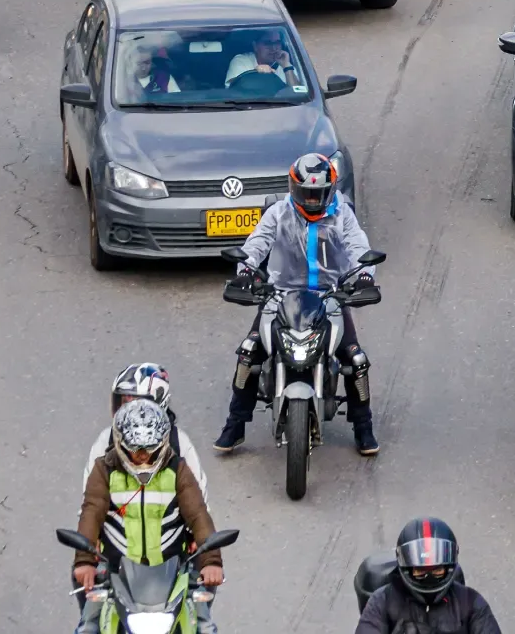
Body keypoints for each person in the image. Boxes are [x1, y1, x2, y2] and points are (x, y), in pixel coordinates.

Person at [213, 152, 382, 456]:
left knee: (356, 360)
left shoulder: (342, 214)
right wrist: (246, 272)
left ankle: (363, 427)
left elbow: (359, 248)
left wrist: (364, 276)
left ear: (329, 191)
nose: (313, 200)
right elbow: (256, 245)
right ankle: (234, 425)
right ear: (294, 188)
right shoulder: (278, 213)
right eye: (307, 193)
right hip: (279, 295)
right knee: (249, 352)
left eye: (318, 194)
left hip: (329, 297)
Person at [74, 401, 224, 634]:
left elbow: (198, 514)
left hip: (172, 577)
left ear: (162, 444)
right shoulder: (104, 471)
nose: (143, 459)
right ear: (120, 445)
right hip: (116, 575)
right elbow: (91, 511)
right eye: (136, 451)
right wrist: (84, 561)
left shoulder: (177, 470)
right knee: (88, 628)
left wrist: (211, 562)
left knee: (205, 628)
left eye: (149, 451)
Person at [355, 518, 502, 634]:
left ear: (449, 567)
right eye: (420, 571)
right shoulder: (381, 602)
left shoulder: (472, 603)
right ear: (407, 568)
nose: (429, 577)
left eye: (437, 570)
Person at [82, 363, 206, 493]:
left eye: (137, 405)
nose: (127, 411)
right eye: (124, 402)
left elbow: (198, 495)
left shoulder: (180, 443)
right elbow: (90, 494)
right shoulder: (105, 440)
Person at [225, 29, 302, 86]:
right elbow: (233, 88)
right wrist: (256, 74)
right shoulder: (241, 61)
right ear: (255, 46)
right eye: (268, 43)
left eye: (277, 42)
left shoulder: (284, 64)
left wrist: (287, 67)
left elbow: (298, 93)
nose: (274, 48)